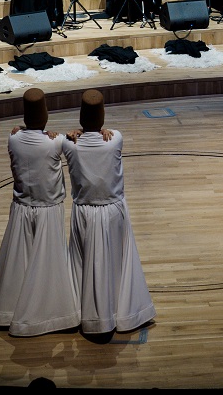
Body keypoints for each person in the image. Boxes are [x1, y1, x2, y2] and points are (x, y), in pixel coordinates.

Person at [0, 88, 81, 337]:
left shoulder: (13, 138)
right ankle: (48, 309)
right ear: (45, 114)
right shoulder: (56, 141)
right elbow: (76, 143)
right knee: (47, 262)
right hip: (48, 210)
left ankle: (10, 305)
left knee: (20, 259)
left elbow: (22, 133)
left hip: (21, 207)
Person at [61, 90, 156, 336]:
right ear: (102, 116)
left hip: (83, 212)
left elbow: (65, 138)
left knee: (84, 262)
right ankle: (117, 311)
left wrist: (77, 133)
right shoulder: (115, 139)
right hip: (113, 210)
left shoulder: (67, 143)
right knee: (116, 261)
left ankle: (86, 314)